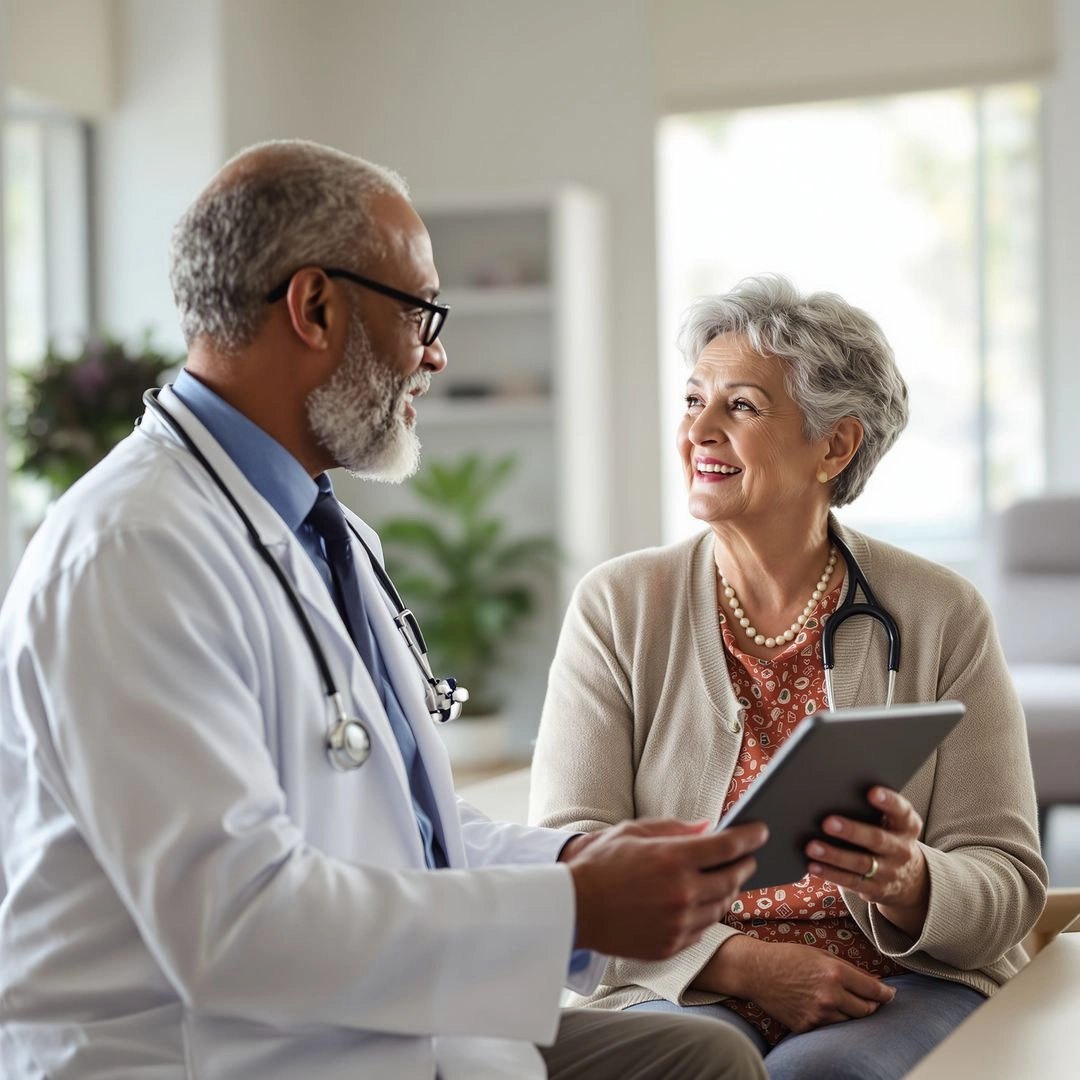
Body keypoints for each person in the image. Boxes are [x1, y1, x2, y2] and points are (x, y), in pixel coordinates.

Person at [0, 141, 771, 1080]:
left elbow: (412, 831)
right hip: (223, 1058)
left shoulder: (324, 531)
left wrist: (583, 858)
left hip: (379, 1027)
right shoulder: (131, 553)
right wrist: (572, 906)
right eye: (420, 313)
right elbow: (235, 926)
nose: (437, 354)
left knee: (702, 1057)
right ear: (316, 307)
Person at [530, 274, 1048, 1080]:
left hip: (895, 985)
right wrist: (741, 965)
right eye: (693, 398)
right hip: (681, 982)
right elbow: (568, 857)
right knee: (692, 1064)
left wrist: (913, 883)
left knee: (819, 1077)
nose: (698, 429)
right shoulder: (618, 605)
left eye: (739, 406)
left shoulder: (942, 611)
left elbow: (1008, 881)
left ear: (834, 447)